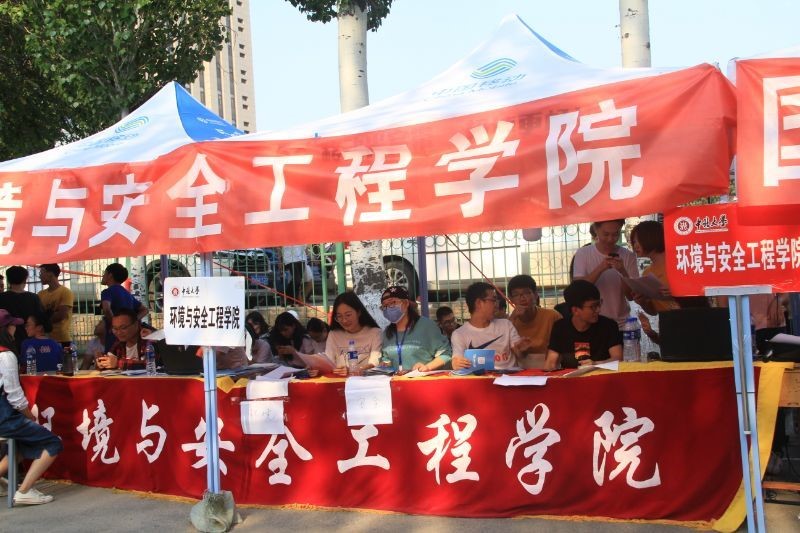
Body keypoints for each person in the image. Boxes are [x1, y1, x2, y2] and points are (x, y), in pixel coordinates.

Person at [0, 318, 63, 505]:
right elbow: (14, 395)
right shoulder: (5, 356)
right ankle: (24, 491)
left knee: (20, 446)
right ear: (5, 329)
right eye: (12, 325)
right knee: (53, 443)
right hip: (4, 418)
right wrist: (29, 415)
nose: (15, 329)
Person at [572, 219, 639, 328]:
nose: (610, 239)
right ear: (596, 229)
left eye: (615, 234)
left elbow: (631, 296)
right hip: (592, 323)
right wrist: (601, 268)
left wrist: (622, 271)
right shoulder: (583, 253)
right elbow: (577, 291)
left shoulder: (628, 256)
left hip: (621, 324)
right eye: (606, 234)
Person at [450, 282, 531, 370]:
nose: (497, 304)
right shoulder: (459, 334)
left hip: (510, 377)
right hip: (481, 378)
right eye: (493, 300)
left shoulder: (506, 325)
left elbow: (520, 355)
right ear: (479, 303)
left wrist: (521, 349)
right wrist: (457, 363)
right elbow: (457, 360)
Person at [545, 280, 622, 371]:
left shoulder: (609, 326)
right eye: (593, 307)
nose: (598, 310)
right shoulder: (560, 327)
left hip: (602, 375)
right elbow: (551, 362)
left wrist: (596, 364)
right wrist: (551, 367)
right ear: (575, 310)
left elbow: (618, 359)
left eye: (599, 304)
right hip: (571, 378)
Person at [379, 286, 452, 373]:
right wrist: (384, 364)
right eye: (384, 306)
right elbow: (386, 359)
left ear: (406, 303)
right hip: (396, 379)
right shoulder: (387, 333)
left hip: (421, 379)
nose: (388, 308)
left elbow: (446, 354)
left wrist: (427, 367)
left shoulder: (427, 326)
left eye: (393, 302)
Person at [507, 274, 562, 369]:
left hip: (550, 367)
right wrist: (512, 319)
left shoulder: (552, 316)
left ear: (536, 294)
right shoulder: (509, 322)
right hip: (519, 369)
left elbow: (563, 346)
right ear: (511, 299)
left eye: (527, 293)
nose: (522, 298)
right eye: (516, 295)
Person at [325, 291, 382, 375]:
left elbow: (374, 362)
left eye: (348, 315)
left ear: (358, 312)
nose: (344, 320)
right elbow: (328, 362)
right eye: (339, 316)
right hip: (339, 380)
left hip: (365, 381)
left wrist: (355, 370)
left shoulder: (375, 333)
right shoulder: (333, 334)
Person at [100, 263, 148, 351]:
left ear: (110, 275)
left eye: (104, 273)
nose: (102, 276)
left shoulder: (107, 292)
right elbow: (144, 310)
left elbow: (106, 309)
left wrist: (114, 326)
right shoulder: (127, 293)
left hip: (114, 336)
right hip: (129, 335)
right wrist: (132, 322)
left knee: (112, 356)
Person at [0, 265, 45, 354]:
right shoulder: (34, 298)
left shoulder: (1, 298)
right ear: (25, 280)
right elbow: (41, 319)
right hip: (30, 340)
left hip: (7, 341)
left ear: (8, 280)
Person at [37, 263, 74, 349]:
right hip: (44, 337)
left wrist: (43, 321)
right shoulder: (40, 294)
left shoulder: (65, 292)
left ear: (50, 274)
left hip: (61, 338)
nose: (39, 276)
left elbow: (61, 315)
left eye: (41, 273)